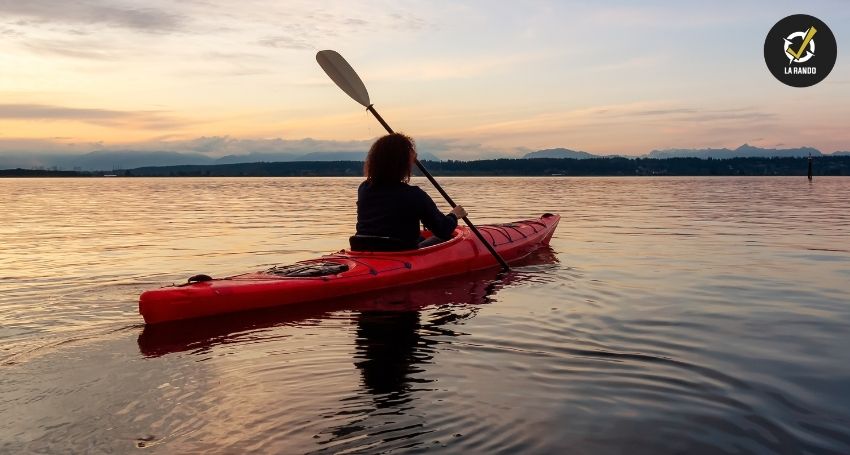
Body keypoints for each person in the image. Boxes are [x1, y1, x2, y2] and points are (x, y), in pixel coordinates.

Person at [354, 133, 467, 250]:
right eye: (411, 156)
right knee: (448, 237)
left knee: (421, 239)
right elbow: (443, 229)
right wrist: (454, 215)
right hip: (400, 253)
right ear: (402, 163)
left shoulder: (364, 189)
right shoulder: (414, 195)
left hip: (363, 249)